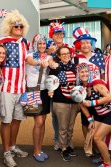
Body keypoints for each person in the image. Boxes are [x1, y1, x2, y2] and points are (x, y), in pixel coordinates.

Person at [0, 10, 29, 167]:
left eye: (21, 26)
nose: (19, 28)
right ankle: (6, 151)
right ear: (10, 27)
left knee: (17, 120)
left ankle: (13, 146)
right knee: (6, 121)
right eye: (16, 26)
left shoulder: (24, 42)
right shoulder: (2, 41)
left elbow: (27, 61)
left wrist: (42, 61)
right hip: (6, 88)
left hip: (21, 88)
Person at [77, 63, 111, 167]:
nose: (84, 74)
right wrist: (90, 119)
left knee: (97, 138)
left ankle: (107, 163)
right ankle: (104, 156)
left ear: (90, 72)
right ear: (78, 75)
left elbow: (108, 98)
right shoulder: (80, 88)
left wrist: (92, 103)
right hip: (99, 115)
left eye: (86, 71)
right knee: (93, 136)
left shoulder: (96, 83)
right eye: (81, 72)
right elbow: (82, 105)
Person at [72, 27, 105, 139]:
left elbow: (103, 74)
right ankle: (88, 145)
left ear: (91, 44)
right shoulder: (76, 59)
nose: (85, 45)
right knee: (85, 121)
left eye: (88, 42)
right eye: (83, 43)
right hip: (84, 94)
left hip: (98, 93)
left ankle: (98, 144)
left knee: (100, 120)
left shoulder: (99, 57)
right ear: (79, 45)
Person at [46, 21, 74, 150]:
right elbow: (46, 61)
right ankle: (58, 139)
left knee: (67, 116)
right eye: (56, 34)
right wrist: (50, 57)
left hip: (66, 86)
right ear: (52, 35)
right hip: (52, 84)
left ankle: (67, 140)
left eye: (61, 33)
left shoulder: (68, 47)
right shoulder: (48, 47)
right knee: (55, 115)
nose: (59, 36)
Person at [49, 46, 79, 161]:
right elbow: (50, 82)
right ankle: (63, 148)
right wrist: (50, 90)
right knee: (63, 128)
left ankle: (68, 143)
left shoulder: (74, 67)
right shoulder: (55, 67)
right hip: (60, 102)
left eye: (68, 53)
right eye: (63, 54)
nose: (66, 55)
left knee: (70, 127)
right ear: (59, 56)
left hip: (74, 101)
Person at [25, 34, 51, 162]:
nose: (42, 46)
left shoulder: (49, 56)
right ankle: (36, 150)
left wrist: (52, 63)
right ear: (35, 44)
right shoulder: (29, 55)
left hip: (45, 91)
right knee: (38, 122)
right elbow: (30, 62)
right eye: (39, 43)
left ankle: (40, 148)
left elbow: (52, 63)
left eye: (43, 43)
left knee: (44, 121)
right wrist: (40, 62)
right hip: (32, 90)